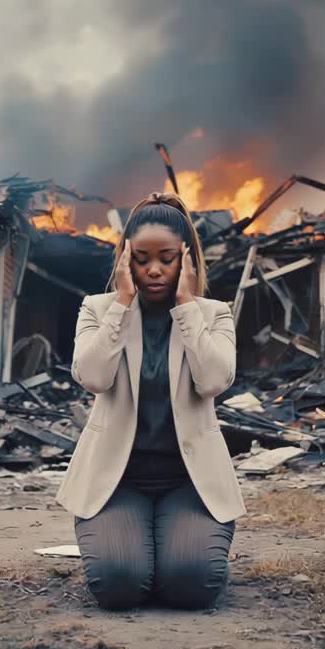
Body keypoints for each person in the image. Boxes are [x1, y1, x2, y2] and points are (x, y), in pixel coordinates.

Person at [55, 192, 244, 611]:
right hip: (116, 482)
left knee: (191, 587)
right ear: (125, 259)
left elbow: (214, 380)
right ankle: (141, 549)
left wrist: (186, 304)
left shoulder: (213, 314)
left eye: (167, 257)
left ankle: (183, 554)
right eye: (141, 258)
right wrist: (122, 303)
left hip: (190, 483)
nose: (154, 269)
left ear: (187, 259)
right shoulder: (98, 308)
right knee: (119, 587)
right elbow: (91, 376)